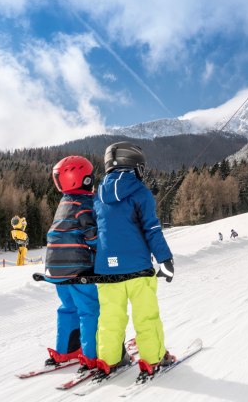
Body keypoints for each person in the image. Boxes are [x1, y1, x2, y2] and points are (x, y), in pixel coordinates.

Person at [93, 142, 175, 381]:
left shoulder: (97, 195)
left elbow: (97, 231)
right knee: (146, 316)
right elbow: (152, 229)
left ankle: (108, 361)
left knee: (109, 318)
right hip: (138, 269)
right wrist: (165, 260)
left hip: (107, 271)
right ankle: (153, 359)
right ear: (134, 166)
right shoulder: (140, 192)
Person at [40, 155, 100, 373]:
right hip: (78, 269)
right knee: (89, 309)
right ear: (83, 179)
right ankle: (92, 355)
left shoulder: (64, 203)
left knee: (68, 308)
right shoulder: (85, 203)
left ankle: (66, 350)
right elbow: (92, 235)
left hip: (56, 269)